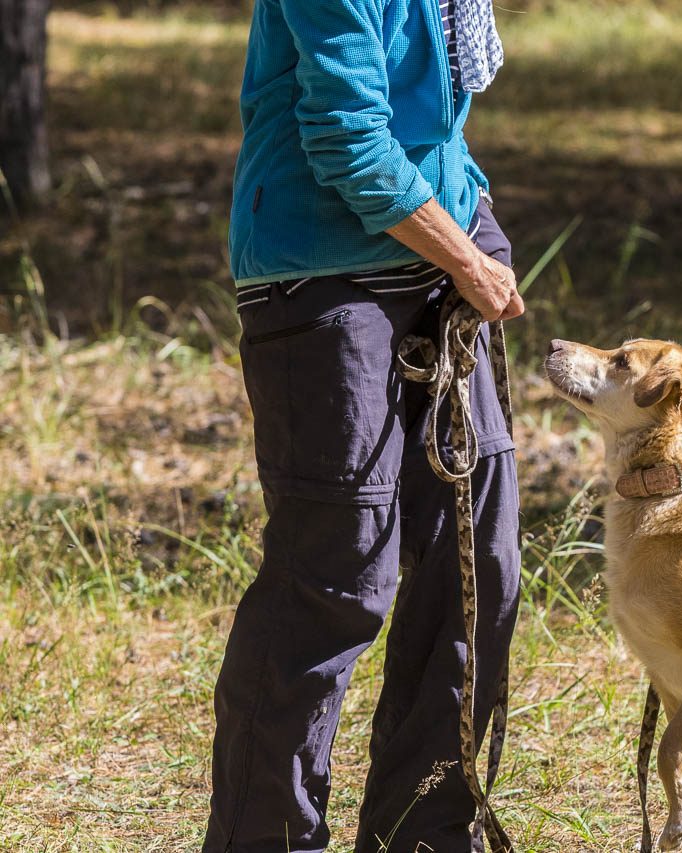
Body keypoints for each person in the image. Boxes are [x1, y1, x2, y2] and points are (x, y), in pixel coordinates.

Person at [202, 0, 523, 850]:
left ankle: (424, 835)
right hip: (321, 279)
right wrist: (466, 257)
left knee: (479, 563)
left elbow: (436, 126)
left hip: (436, 262)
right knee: (337, 578)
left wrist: (477, 221)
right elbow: (347, 138)